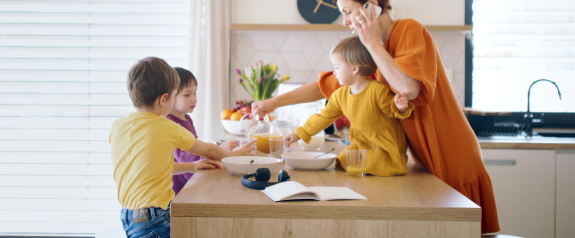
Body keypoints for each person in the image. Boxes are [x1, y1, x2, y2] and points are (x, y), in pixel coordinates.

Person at [253, 0, 500, 234]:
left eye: (348, 11)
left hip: (451, 150)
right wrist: (274, 102)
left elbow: (409, 88)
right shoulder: (370, 50)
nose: (345, 21)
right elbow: (329, 86)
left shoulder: (408, 30)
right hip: (422, 155)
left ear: (371, 4)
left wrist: (372, 44)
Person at [109, 57, 255, 238]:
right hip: (157, 215)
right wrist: (231, 155)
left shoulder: (118, 127)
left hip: (128, 215)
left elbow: (152, 168)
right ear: (164, 99)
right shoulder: (167, 127)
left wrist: (192, 166)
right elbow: (208, 150)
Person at [284, 36, 415, 176]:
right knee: (343, 161)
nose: (334, 72)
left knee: (373, 164)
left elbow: (391, 111)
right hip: (362, 143)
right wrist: (299, 134)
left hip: (383, 145)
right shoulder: (340, 95)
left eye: (337, 67)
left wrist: (400, 107)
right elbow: (323, 117)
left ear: (354, 69)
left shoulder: (378, 90)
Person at [168, 67, 239, 194]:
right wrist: (218, 150)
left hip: (192, 180)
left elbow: (195, 146)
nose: (194, 99)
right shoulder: (170, 124)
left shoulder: (187, 118)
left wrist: (217, 149)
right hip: (181, 190)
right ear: (170, 97)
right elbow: (186, 157)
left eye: (195, 93)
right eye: (187, 94)